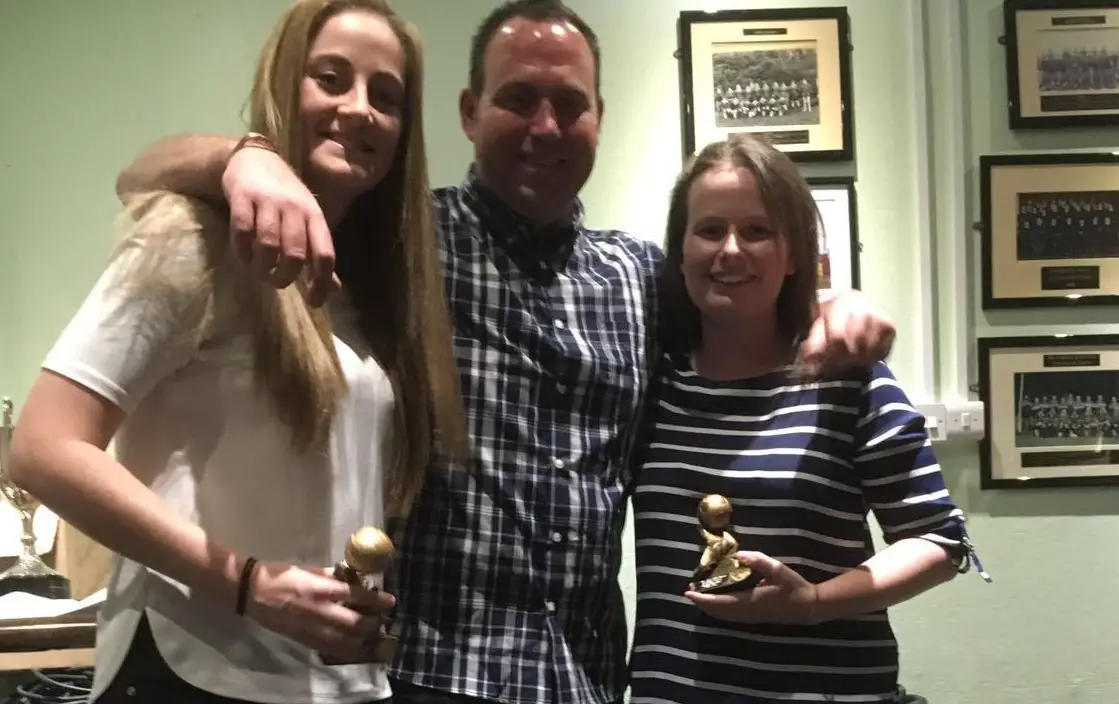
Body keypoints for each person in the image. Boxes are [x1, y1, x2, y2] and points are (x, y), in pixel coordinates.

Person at [111, 3, 899, 703]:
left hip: (586, 676)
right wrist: (243, 156)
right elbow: (140, 171)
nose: (545, 127)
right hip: (426, 673)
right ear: (467, 111)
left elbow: (741, 303)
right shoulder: (401, 244)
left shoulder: (639, 279)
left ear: (599, 116)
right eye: (518, 100)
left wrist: (836, 303)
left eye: (569, 104)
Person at [9, 1, 467, 702]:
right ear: (285, 83)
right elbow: (42, 447)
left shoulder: (375, 293)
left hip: (329, 682)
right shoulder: (192, 241)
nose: (360, 109)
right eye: (331, 78)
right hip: (191, 670)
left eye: (387, 96)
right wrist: (251, 587)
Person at [627, 133, 989, 704]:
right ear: (679, 249)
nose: (730, 250)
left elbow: (939, 544)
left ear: (794, 254)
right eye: (709, 229)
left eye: (756, 230)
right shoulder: (653, 380)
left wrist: (813, 605)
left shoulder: (850, 380)